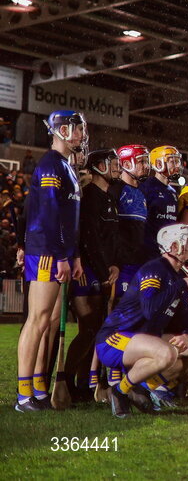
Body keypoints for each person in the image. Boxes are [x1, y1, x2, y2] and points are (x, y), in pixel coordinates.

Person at [15, 110, 87, 413]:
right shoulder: (49, 165)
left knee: (50, 321)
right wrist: (60, 256)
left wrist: (75, 256)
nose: (82, 135)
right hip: (45, 252)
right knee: (38, 320)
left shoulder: (66, 167)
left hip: (60, 254)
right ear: (64, 130)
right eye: (79, 129)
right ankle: (23, 395)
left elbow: (70, 220)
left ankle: (40, 389)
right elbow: (46, 216)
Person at [94, 223, 188, 418]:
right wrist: (181, 285)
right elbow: (150, 311)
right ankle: (120, 391)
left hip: (143, 339)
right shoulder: (154, 269)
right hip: (116, 338)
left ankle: (143, 386)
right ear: (173, 246)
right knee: (167, 353)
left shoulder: (177, 276)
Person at [69, 149, 121, 399]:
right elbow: (89, 238)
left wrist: (114, 266)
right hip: (87, 272)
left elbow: (110, 240)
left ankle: (82, 386)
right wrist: (102, 270)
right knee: (88, 328)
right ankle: (67, 381)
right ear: (99, 166)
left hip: (103, 270)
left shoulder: (109, 197)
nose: (118, 167)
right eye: (113, 163)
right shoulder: (89, 195)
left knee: (95, 328)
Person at [110, 144, 150, 298]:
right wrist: (115, 261)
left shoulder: (141, 192)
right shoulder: (116, 189)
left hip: (138, 261)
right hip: (121, 264)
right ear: (126, 163)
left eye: (146, 161)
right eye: (141, 161)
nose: (146, 166)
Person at [140, 146, 182, 262]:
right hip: (148, 251)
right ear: (158, 163)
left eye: (178, 161)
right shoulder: (147, 187)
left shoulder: (173, 192)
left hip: (166, 252)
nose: (177, 165)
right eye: (172, 161)